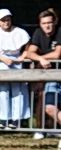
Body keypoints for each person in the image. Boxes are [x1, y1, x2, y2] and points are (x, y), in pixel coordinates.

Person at [0, 7, 30, 129]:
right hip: (2, 61)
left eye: (8, 19)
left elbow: (27, 48)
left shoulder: (20, 32)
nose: (6, 22)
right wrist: (3, 59)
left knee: (18, 89)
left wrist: (22, 57)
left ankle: (16, 118)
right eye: (3, 20)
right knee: (3, 89)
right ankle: (4, 118)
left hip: (17, 60)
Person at [23, 8, 59, 137]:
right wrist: (40, 59)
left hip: (57, 72)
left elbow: (57, 54)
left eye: (49, 22)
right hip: (48, 74)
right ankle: (40, 128)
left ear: (55, 22)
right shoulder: (38, 33)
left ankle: (53, 128)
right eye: (44, 23)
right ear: (40, 24)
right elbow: (30, 52)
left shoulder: (60, 31)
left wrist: (43, 57)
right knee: (45, 102)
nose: (47, 26)